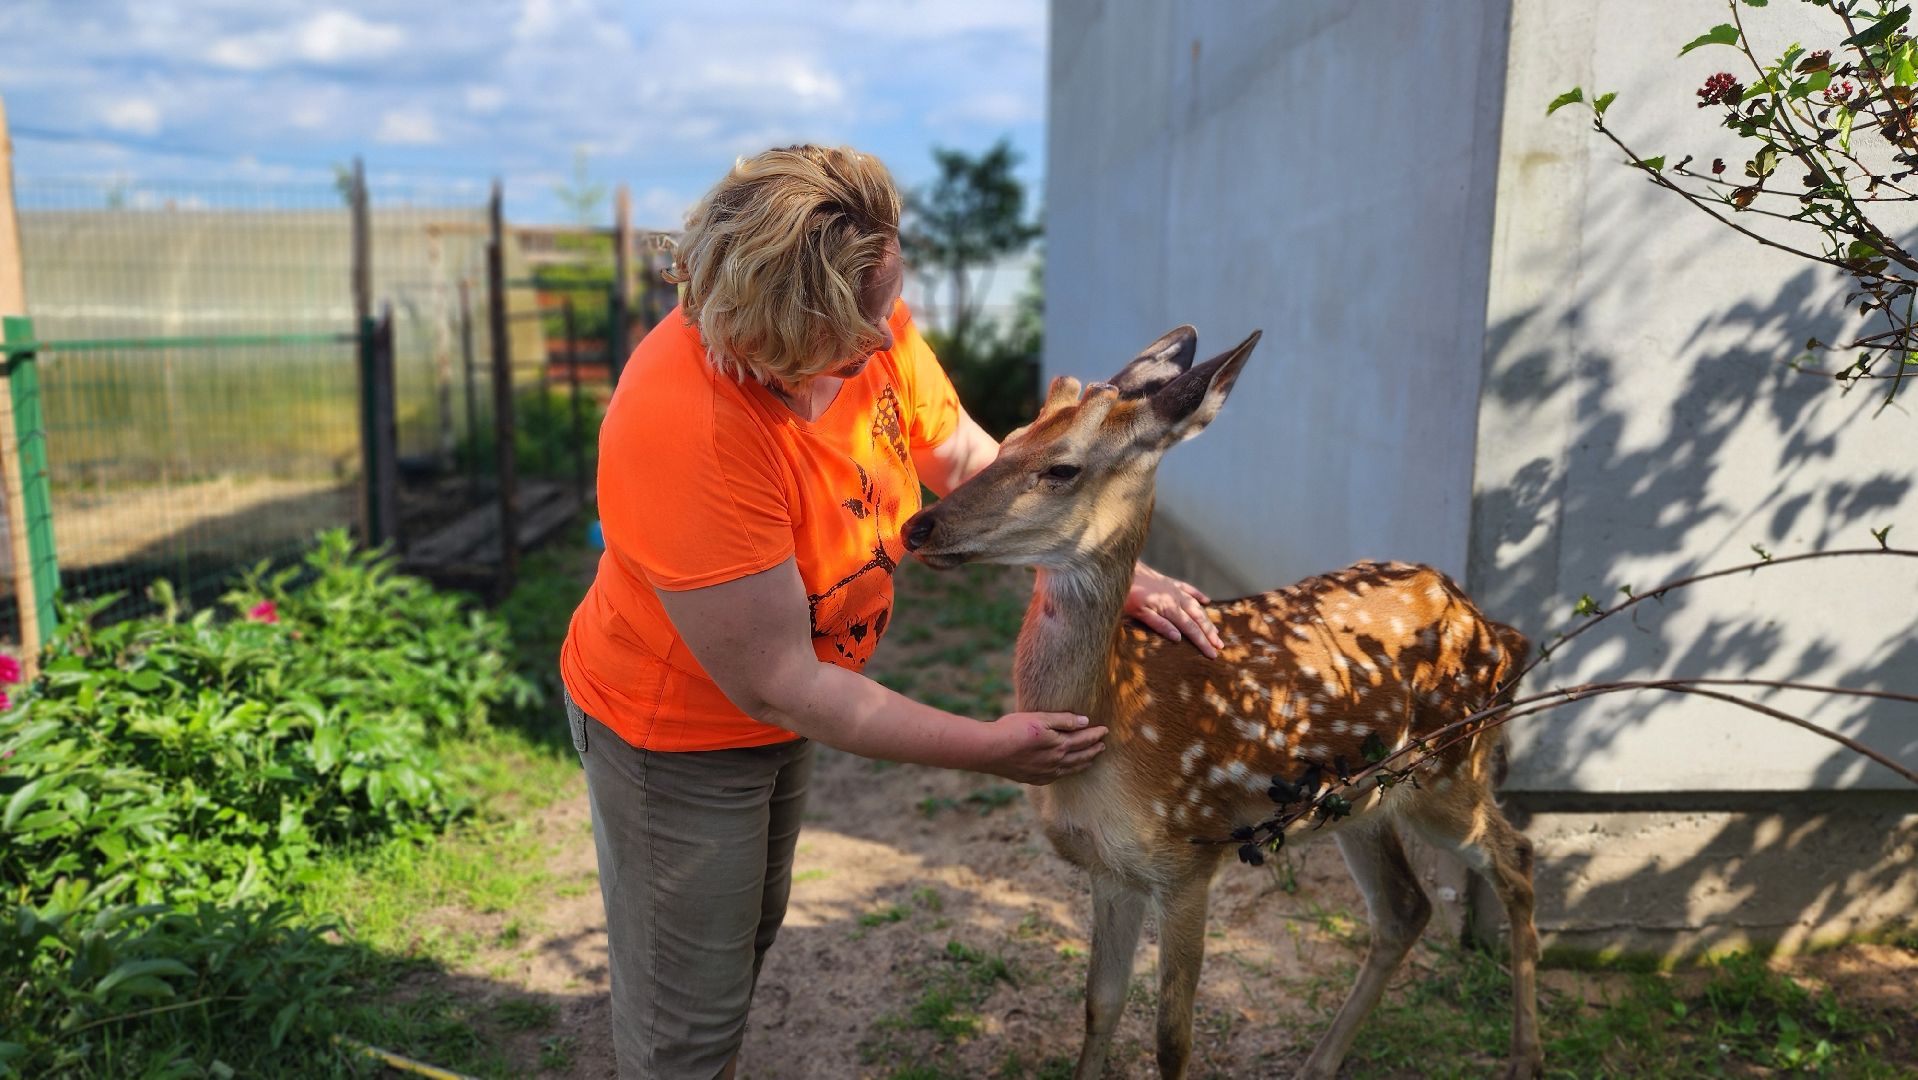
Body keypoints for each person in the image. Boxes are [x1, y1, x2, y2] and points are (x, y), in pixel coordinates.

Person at [558, 144, 1223, 1079]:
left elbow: (958, 455)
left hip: (785, 707)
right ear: (777, 327)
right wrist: (991, 746)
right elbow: (781, 684)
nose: (888, 336)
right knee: (687, 1023)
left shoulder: (868, 320)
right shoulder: (693, 429)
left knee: (741, 936)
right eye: (861, 322)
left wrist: (1115, 560)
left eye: (887, 299)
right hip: (681, 734)